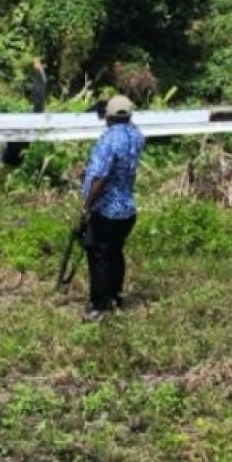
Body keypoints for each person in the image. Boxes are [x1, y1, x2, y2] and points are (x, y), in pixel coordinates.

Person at [79, 94, 144, 320]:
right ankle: (115, 295)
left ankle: (99, 305)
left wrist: (87, 206)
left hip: (107, 208)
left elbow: (99, 176)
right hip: (127, 208)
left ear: (108, 116)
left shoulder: (108, 140)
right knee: (115, 253)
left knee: (97, 254)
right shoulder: (136, 136)